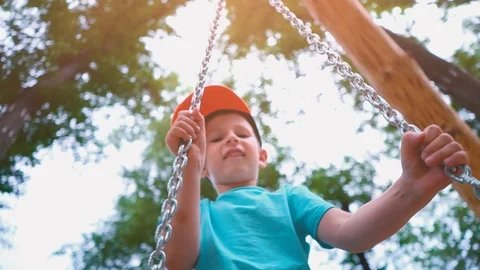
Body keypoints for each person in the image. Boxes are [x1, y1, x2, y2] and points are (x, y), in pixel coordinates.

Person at [163, 84, 470, 270]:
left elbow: (352, 233)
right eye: (214, 139)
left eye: (242, 133)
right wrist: (188, 162)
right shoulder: (195, 213)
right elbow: (176, 262)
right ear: (202, 166)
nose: (231, 139)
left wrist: (411, 188)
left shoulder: (289, 200)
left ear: (262, 155)